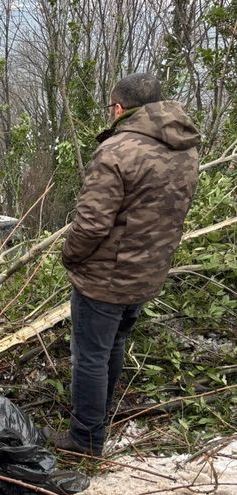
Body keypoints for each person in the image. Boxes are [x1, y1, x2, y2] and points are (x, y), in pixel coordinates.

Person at [52, 73, 201, 456]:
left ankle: (85, 440)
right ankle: (101, 417)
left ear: (118, 108)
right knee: (114, 343)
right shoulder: (184, 148)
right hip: (148, 272)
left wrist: (69, 255)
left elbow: (90, 224)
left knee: (90, 356)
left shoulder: (117, 151)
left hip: (105, 277)